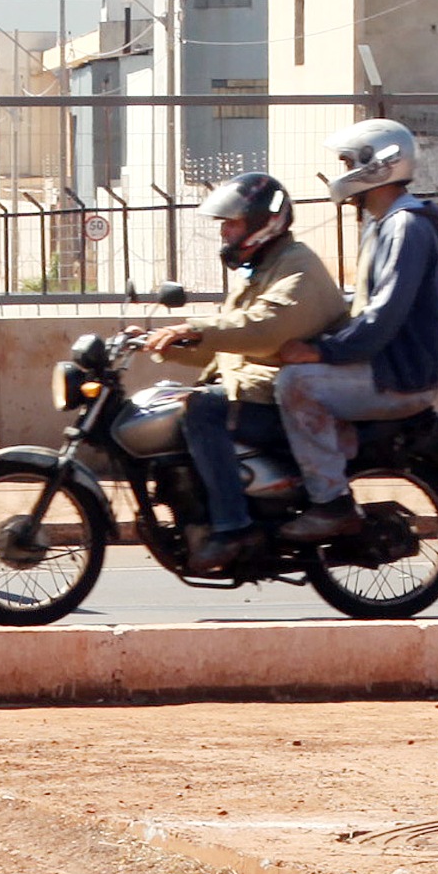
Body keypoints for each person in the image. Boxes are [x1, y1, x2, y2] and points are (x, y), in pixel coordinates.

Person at [143, 173, 348, 574]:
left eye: (232, 223)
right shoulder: (261, 269)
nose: (224, 232)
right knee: (168, 400)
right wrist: (163, 343)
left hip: (288, 397)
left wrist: (194, 329)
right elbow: (230, 345)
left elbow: (262, 329)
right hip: (261, 388)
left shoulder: (298, 267)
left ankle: (233, 526)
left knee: (202, 409)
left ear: (262, 223)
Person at [268, 119, 438, 542]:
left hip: (401, 374)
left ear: (378, 164)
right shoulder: (383, 223)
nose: (342, 170)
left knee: (295, 384)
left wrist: (323, 351)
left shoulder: (404, 227)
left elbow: (383, 316)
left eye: (348, 161)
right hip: (388, 365)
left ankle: (330, 502)